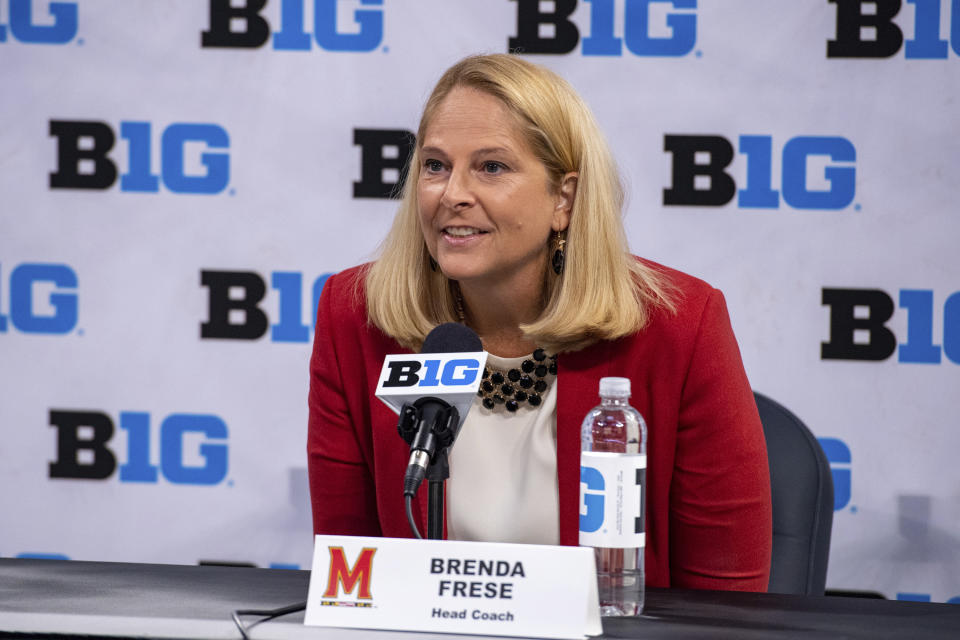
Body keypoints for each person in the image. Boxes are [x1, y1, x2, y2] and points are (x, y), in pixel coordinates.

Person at [308, 54, 771, 592]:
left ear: (564, 200)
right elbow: (350, 580)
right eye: (435, 165)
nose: (452, 194)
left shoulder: (680, 327)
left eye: (492, 167)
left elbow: (727, 606)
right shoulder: (355, 315)